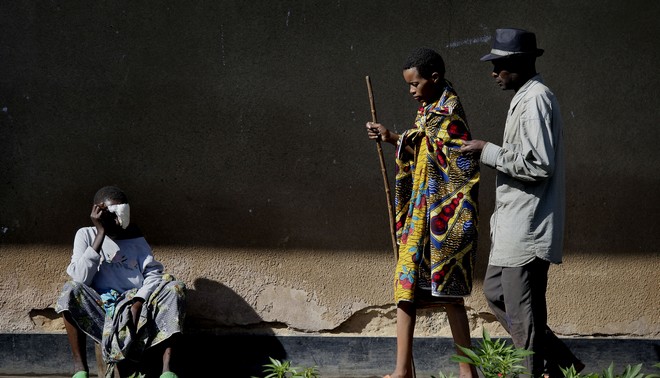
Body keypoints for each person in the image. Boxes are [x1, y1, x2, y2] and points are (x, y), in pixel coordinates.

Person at [459, 28, 584, 377]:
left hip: (528, 227)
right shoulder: (527, 97)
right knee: (496, 291)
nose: (494, 73)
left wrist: (487, 151)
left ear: (518, 63)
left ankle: (533, 372)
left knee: (522, 311)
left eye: (499, 65)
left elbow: (539, 164)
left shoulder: (535, 100)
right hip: (515, 225)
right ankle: (562, 361)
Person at [366, 47, 480, 378]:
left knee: (451, 295)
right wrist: (391, 137)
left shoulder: (449, 112)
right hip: (420, 215)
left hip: (446, 217)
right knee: (406, 289)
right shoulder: (428, 111)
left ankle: (467, 372)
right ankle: (402, 370)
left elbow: (455, 161)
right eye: (409, 86)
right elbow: (421, 147)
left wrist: (403, 141)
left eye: (415, 85)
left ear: (435, 78)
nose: (411, 91)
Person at [55, 186, 186, 378]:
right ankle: (80, 369)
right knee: (70, 290)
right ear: (98, 212)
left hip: (139, 309)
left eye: (121, 215)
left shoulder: (135, 238)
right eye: (112, 215)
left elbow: (153, 274)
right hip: (102, 308)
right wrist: (100, 233)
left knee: (175, 287)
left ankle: (167, 369)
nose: (117, 221)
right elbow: (80, 278)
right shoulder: (86, 235)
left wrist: (139, 301)